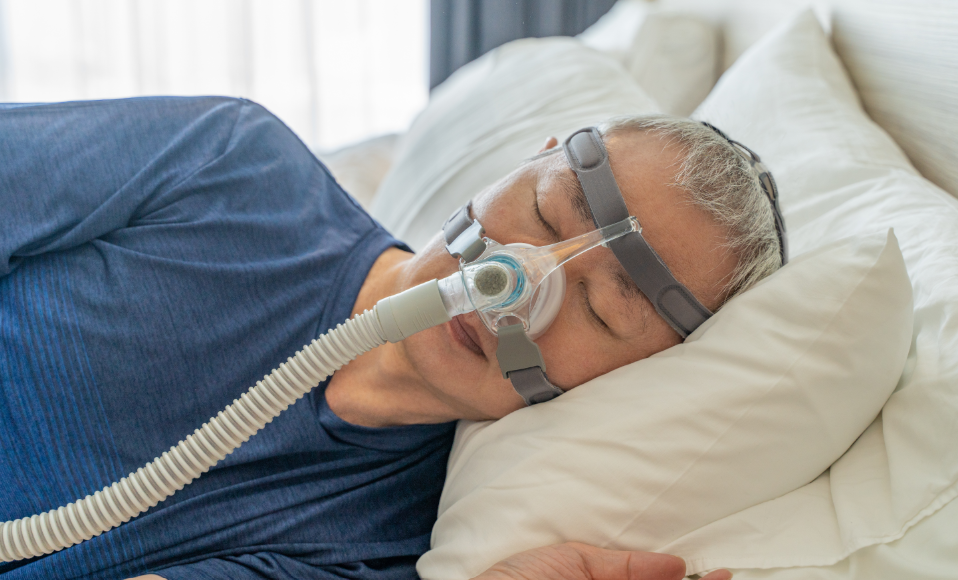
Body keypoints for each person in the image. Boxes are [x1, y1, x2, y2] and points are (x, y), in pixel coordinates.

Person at [0, 96, 780, 580]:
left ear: (632, 377)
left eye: (603, 310)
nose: (516, 279)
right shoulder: (232, 166)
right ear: (528, 160)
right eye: (545, 212)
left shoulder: (382, 547)